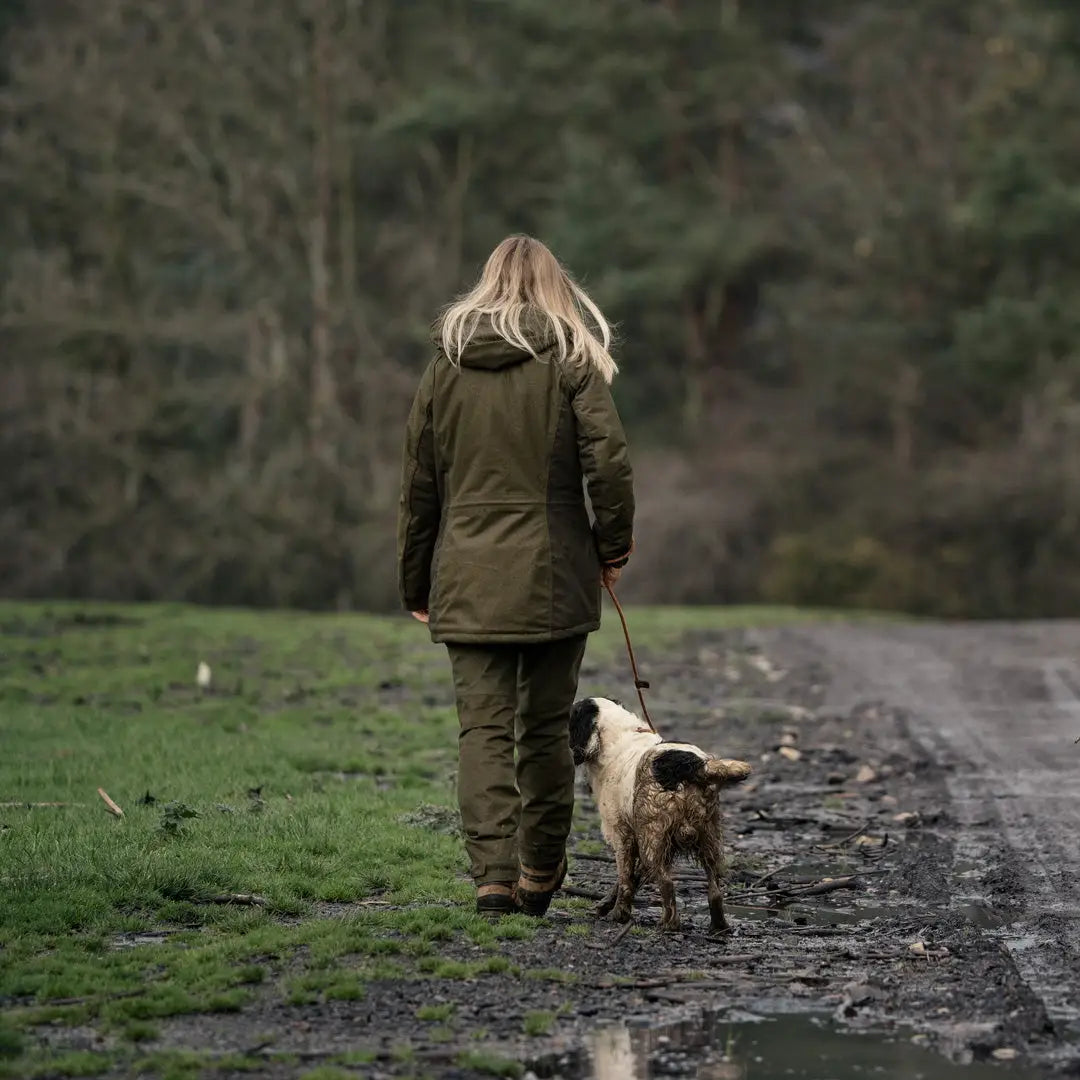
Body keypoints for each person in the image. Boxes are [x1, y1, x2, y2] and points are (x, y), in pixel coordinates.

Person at [397, 235, 635, 918]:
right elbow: (609, 464)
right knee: (543, 728)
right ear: (556, 286)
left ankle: (493, 881)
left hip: (467, 575)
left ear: (487, 283)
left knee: (483, 731)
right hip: (556, 570)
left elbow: (418, 486)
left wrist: (416, 581)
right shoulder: (571, 358)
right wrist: (611, 549)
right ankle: (539, 874)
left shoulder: (445, 365)